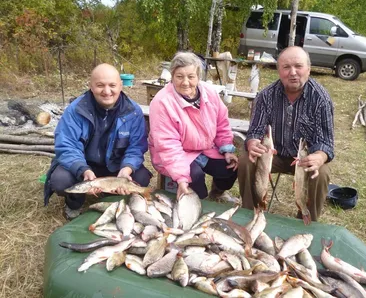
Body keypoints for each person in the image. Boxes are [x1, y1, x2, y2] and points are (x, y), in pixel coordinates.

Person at [44, 63, 152, 220]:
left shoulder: (133, 112)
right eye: (100, 85)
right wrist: (83, 170)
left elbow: (136, 147)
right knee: (60, 180)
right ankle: (74, 203)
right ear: (91, 86)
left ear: (121, 86)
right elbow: (66, 145)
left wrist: (126, 169)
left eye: (112, 85)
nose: (107, 91)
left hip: (116, 166)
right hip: (85, 166)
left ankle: (112, 198)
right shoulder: (76, 110)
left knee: (141, 178)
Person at [238, 46, 334, 221]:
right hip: (273, 155)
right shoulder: (266, 96)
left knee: (322, 172)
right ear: (278, 70)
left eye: (298, 66)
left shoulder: (321, 99)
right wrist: (252, 143)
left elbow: (326, 141)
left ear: (309, 69)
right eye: (286, 67)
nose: (293, 72)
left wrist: (320, 156)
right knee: (246, 158)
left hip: (304, 158)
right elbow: (255, 131)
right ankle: (250, 212)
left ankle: (306, 221)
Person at [148, 51, 238, 201]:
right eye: (179, 76)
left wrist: (226, 148)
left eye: (191, 76)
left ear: (198, 76)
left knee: (231, 167)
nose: (185, 82)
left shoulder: (209, 92)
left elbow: (222, 122)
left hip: (204, 149)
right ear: (172, 76)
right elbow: (168, 146)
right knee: (194, 178)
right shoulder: (162, 102)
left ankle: (217, 194)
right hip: (176, 154)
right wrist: (182, 178)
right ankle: (198, 202)